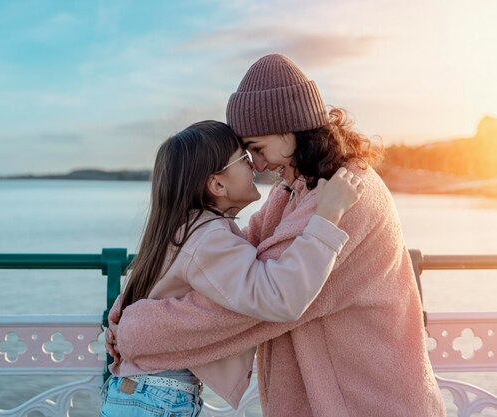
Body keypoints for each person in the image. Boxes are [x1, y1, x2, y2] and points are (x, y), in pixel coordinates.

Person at [108, 54, 446, 417]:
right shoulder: (294, 191)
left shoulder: (344, 195)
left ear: (291, 129)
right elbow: (238, 264)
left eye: (256, 148)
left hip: (367, 398)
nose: (259, 165)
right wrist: (124, 312)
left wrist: (135, 329)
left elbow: (254, 306)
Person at [100, 119, 364, 417]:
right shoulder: (210, 239)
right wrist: (327, 218)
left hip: (141, 392)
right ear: (218, 184)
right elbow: (277, 297)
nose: (256, 166)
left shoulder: (185, 229)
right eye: (245, 157)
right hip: (159, 397)